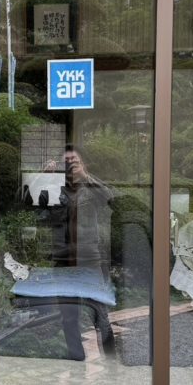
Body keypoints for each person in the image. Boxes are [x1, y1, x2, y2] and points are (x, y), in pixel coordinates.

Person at [41, 145, 116, 356]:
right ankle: (77, 361)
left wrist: (85, 176)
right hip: (63, 261)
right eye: (66, 162)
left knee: (100, 315)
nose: (71, 164)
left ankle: (111, 362)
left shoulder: (91, 188)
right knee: (69, 318)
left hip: (89, 261)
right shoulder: (53, 190)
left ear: (83, 163)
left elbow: (110, 198)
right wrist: (44, 178)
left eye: (74, 160)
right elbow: (29, 201)